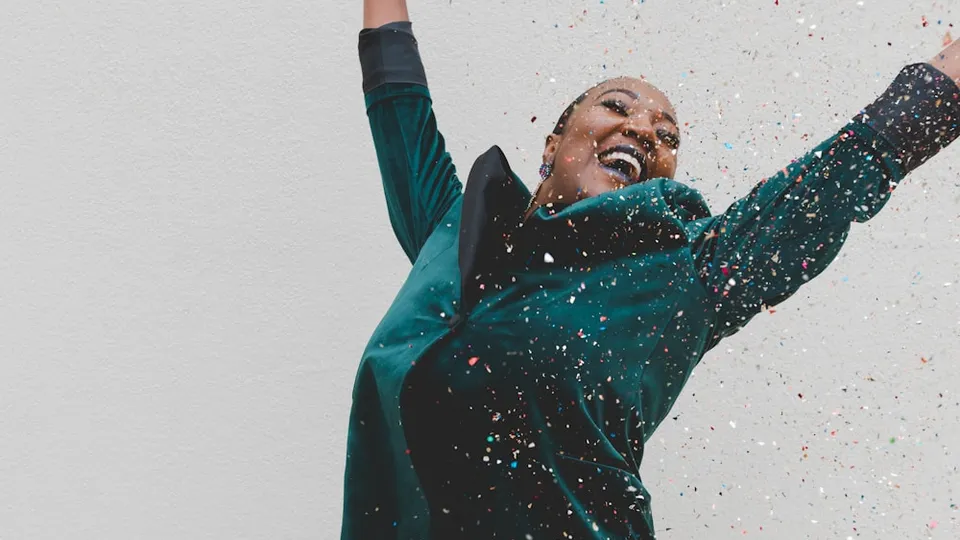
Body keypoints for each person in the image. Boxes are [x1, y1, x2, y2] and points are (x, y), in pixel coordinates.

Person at [341, 1, 960, 538]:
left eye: (666, 135)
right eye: (617, 106)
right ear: (553, 142)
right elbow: (398, 98)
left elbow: (830, 182)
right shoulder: (450, 230)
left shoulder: (682, 275)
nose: (642, 130)